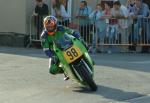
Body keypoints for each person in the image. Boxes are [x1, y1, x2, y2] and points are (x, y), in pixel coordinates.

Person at [40, 16, 82, 80]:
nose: (50, 28)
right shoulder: (44, 36)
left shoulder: (61, 28)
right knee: (52, 70)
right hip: (56, 53)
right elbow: (46, 50)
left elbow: (72, 32)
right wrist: (53, 56)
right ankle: (66, 70)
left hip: (67, 46)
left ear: (55, 25)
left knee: (81, 44)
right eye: (48, 27)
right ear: (45, 26)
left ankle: (86, 58)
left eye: (52, 26)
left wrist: (79, 38)